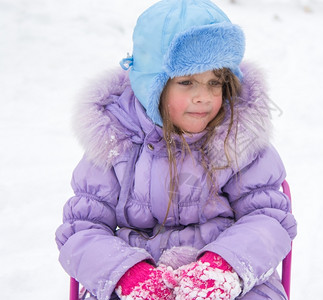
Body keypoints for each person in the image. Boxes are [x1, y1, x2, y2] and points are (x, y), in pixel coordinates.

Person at [55, 0, 297, 299]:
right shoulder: (114, 139)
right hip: (135, 277)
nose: (204, 97)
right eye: (186, 81)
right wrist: (127, 273)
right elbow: (81, 229)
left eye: (214, 82)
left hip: (226, 275)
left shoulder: (237, 137)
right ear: (150, 85)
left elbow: (269, 218)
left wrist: (224, 266)